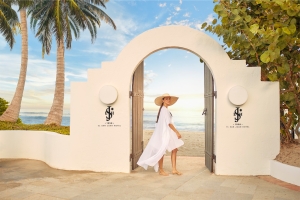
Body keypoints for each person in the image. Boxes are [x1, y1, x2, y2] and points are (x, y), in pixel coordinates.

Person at [137, 93, 184, 176]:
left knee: (174, 149)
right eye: (166, 99)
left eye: (169, 99)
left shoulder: (165, 109)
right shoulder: (164, 110)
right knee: (161, 151)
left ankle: (174, 169)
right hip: (165, 133)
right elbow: (169, 123)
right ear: (163, 100)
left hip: (168, 133)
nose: (168, 100)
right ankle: (161, 170)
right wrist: (177, 132)